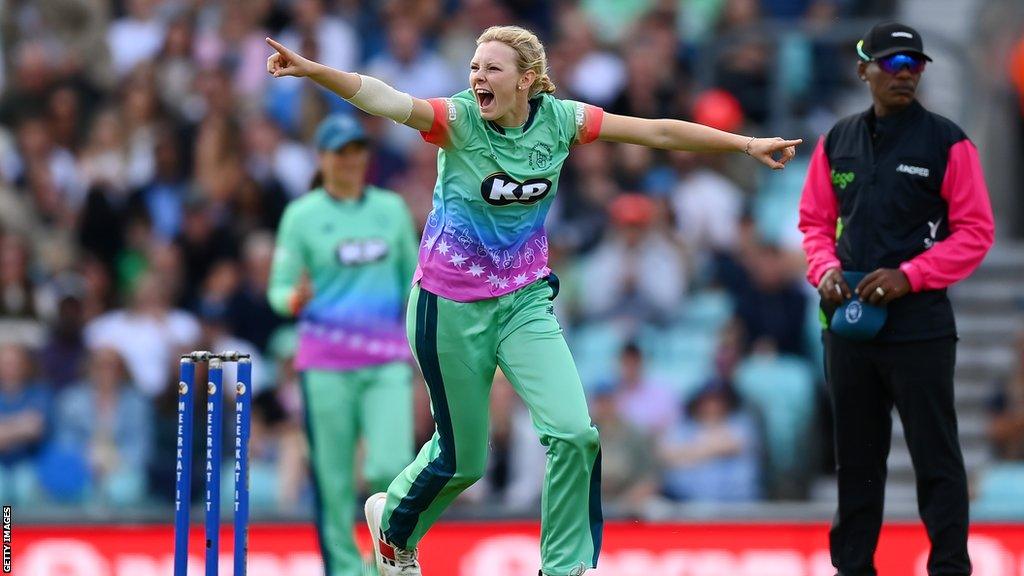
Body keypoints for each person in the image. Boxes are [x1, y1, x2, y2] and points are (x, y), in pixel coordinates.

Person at [267, 25, 800, 576]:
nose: (478, 77)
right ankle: (395, 528)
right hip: (447, 307)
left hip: (524, 302)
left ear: (526, 80)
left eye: (492, 69)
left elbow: (658, 133)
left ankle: (563, 567)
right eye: (474, 67)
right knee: (462, 461)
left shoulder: (563, 121)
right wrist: (314, 70)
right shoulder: (459, 120)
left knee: (574, 433)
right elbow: (383, 98)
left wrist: (744, 144)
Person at [797, 22, 995, 576]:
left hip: (920, 322)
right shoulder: (837, 140)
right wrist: (826, 269)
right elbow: (815, 222)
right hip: (851, 321)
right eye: (891, 64)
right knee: (857, 460)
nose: (904, 74)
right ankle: (853, 568)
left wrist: (912, 275)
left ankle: (951, 567)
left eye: (914, 64)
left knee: (937, 457)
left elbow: (976, 232)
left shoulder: (948, 141)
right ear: (864, 70)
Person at [267, 114, 419, 576]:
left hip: (386, 361)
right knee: (332, 482)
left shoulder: (391, 210)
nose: (351, 160)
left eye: (358, 150)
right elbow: (278, 290)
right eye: (340, 152)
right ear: (322, 158)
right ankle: (344, 571)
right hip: (325, 363)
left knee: (391, 468)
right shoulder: (302, 215)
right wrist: (295, 297)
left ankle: (384, 564)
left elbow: (416, 282)